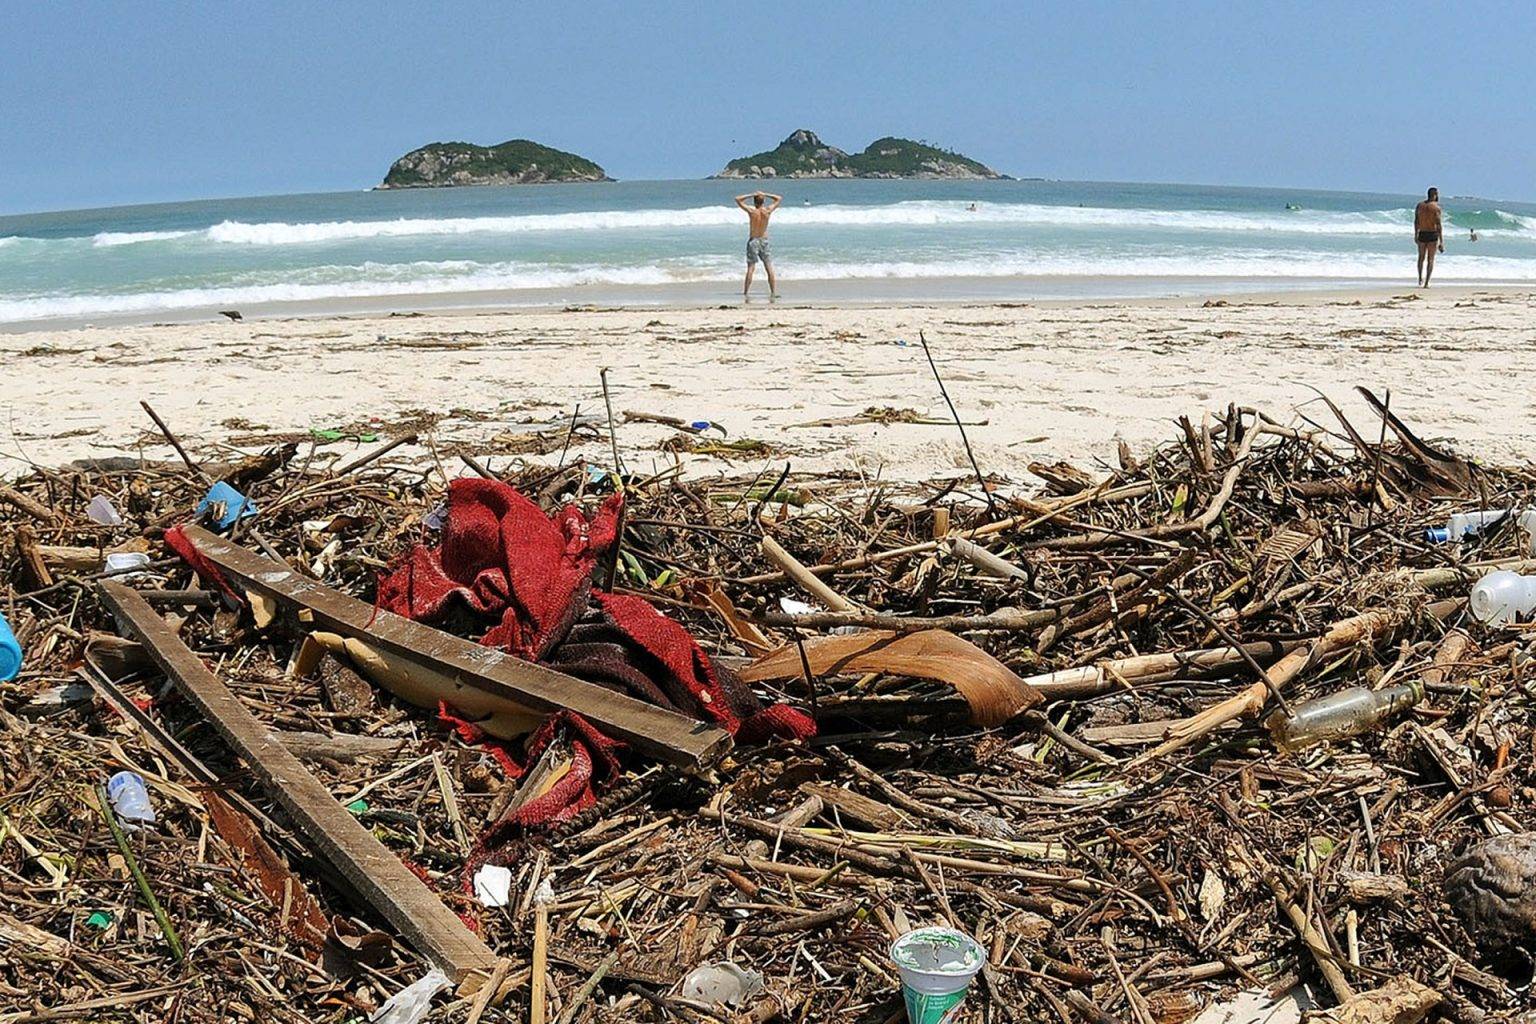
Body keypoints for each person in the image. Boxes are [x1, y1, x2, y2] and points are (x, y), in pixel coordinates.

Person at [734, 190, 782, 297]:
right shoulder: (767, 211)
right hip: (764, 240)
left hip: (753, 240)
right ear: (763, 202)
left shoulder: (752, 211)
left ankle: (746, 292)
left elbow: (738, 199)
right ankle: (773, 292)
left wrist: (752, 194)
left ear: (754, 202)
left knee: (751, 268)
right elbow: (778, 198)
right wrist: (765, 194)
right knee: (768, 267)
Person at [1415, 187, 1445, 287]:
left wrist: (1416, 234)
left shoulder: (1420, 206)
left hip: (1422, 233)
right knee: (1430, 259)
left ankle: (1420, 278)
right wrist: (1441, 241)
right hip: (1432, 234)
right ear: (1435, 195)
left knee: (1421, 257)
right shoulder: (1436, 208)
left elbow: (1416, 221)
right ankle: (1427, 282)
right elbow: (1438, 225)